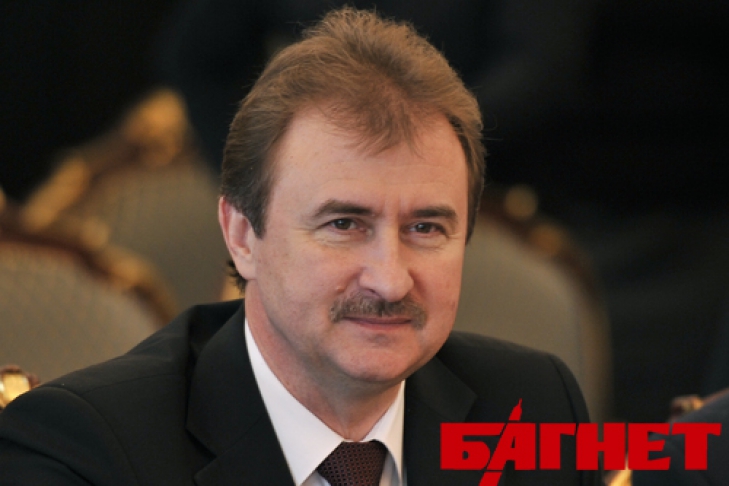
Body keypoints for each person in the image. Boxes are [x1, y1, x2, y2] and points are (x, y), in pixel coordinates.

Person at [0, 8, 600, 485]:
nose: (390, 280)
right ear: (242, 235)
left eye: (425, 229)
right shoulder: (87, 449)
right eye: (344, 224)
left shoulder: (530, 405)